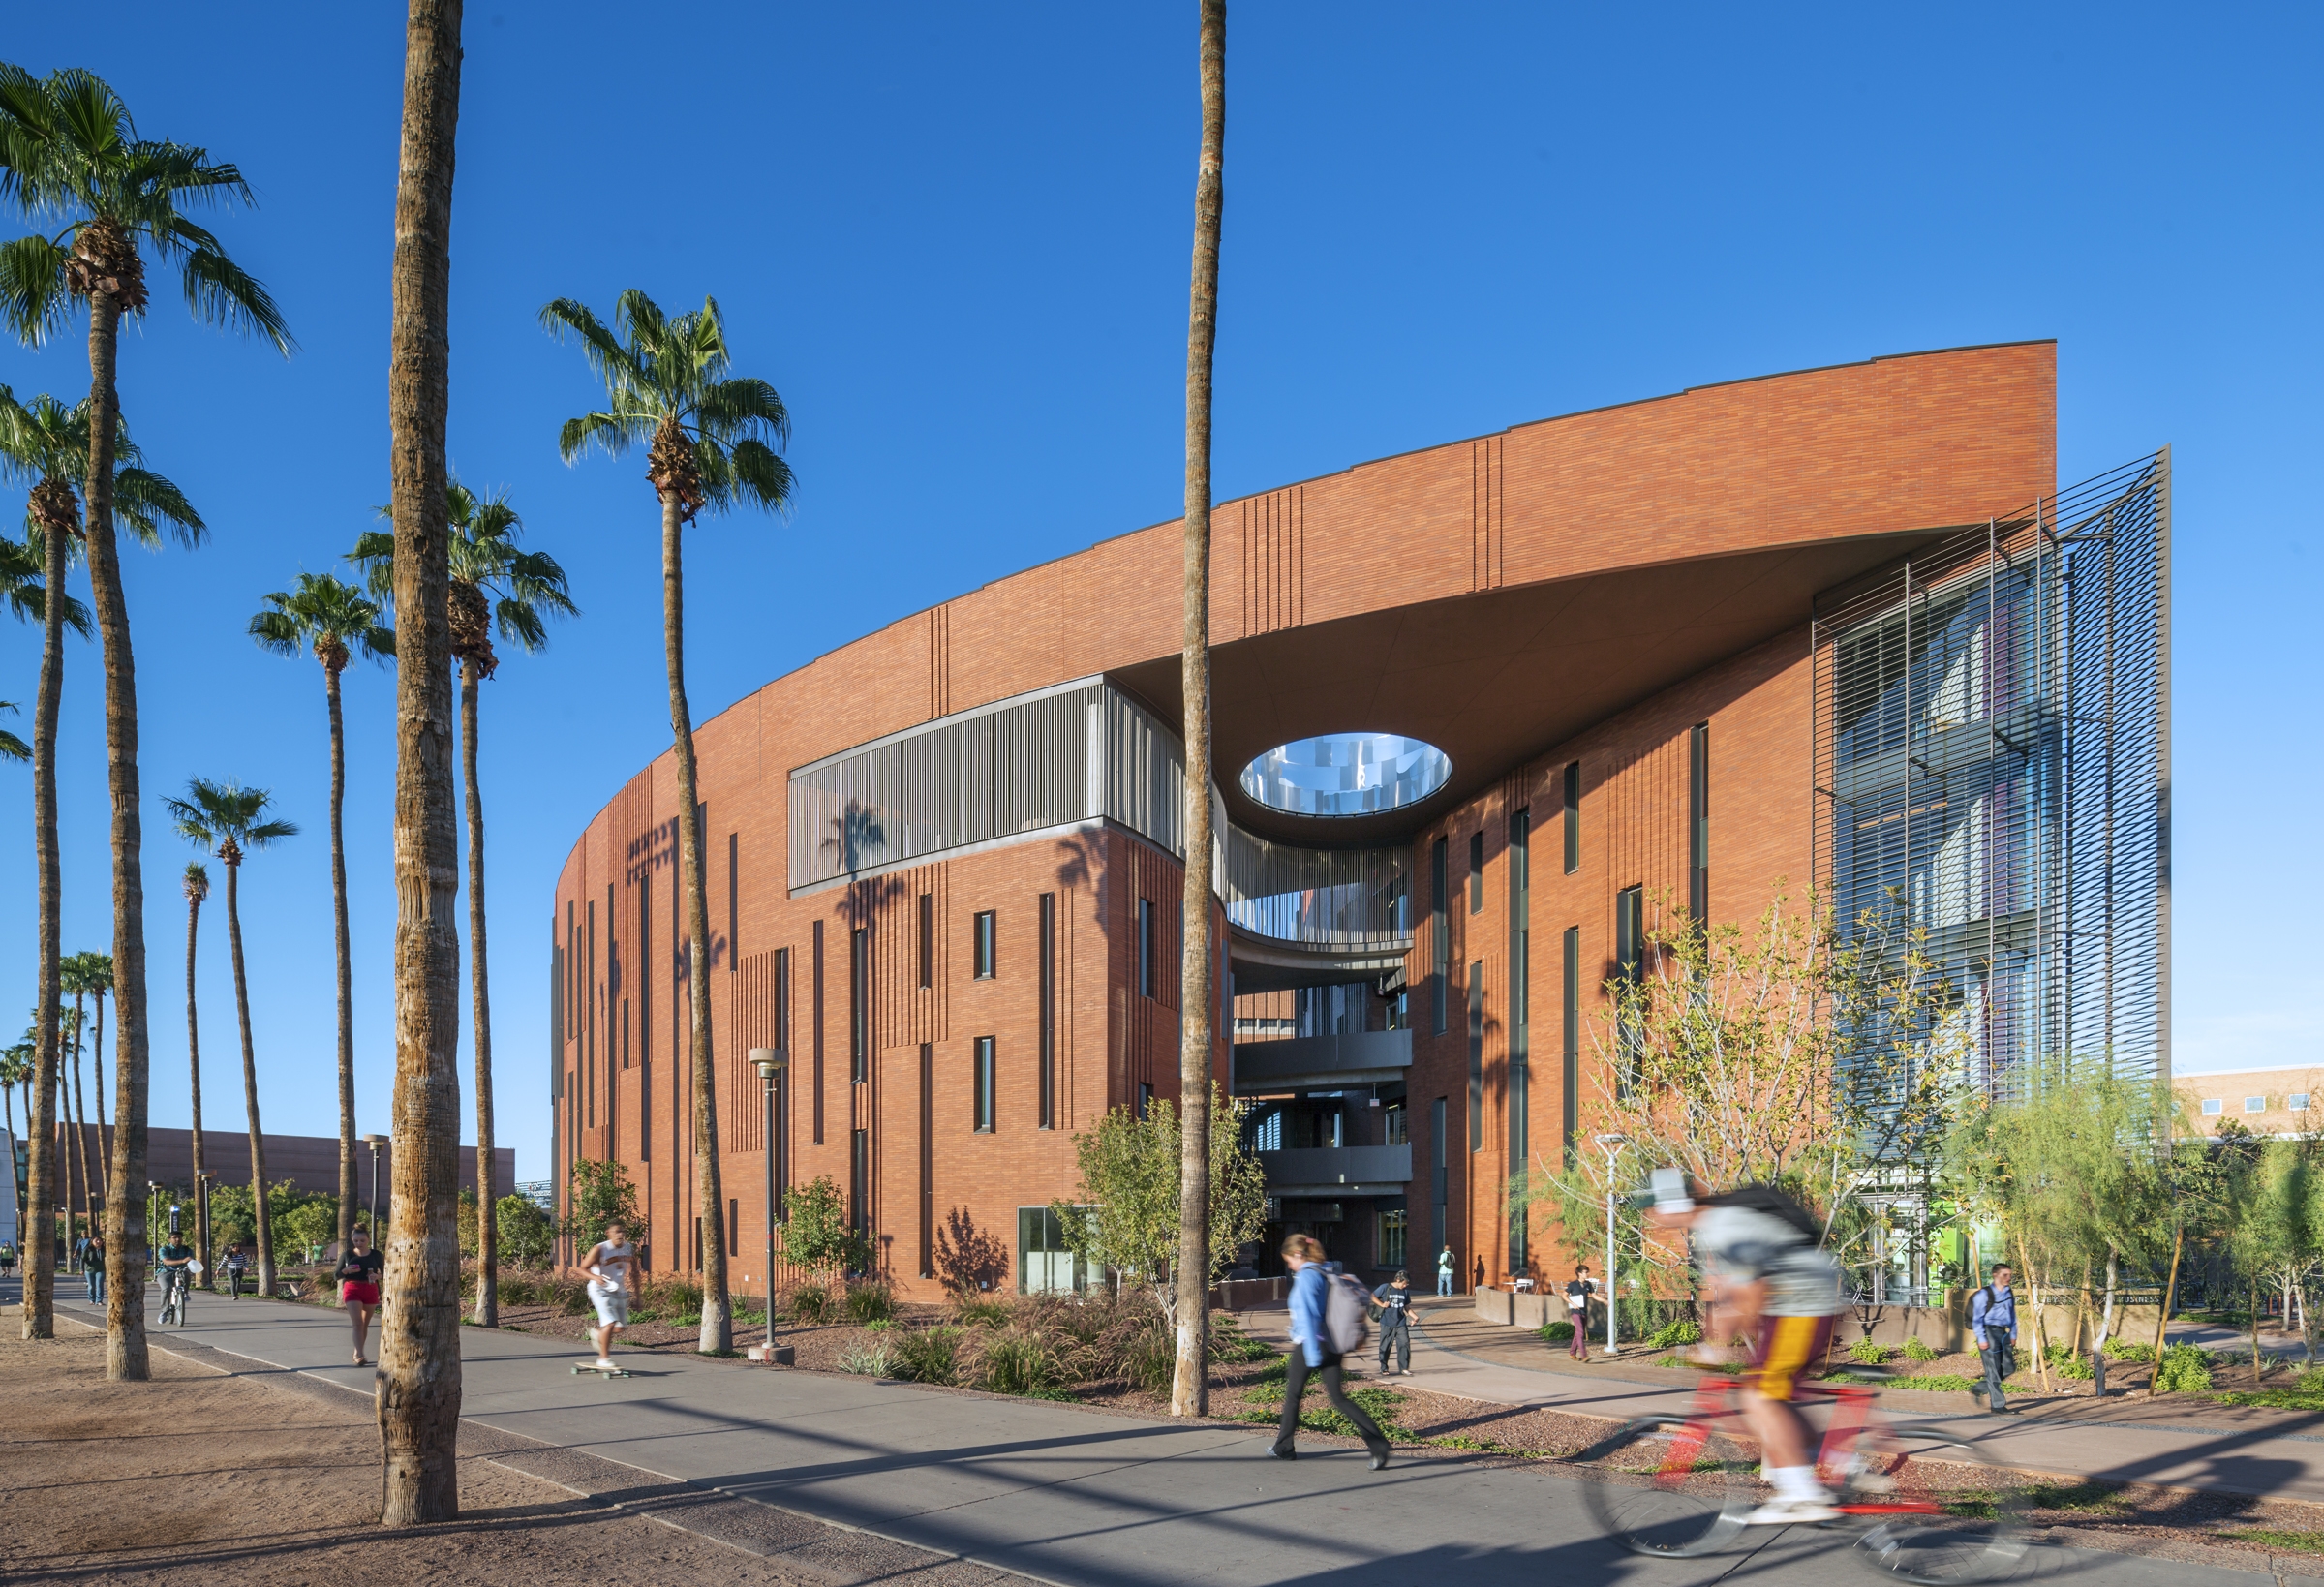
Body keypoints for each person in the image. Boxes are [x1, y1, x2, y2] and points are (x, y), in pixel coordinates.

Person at [1651, 1175, 1847, 1526]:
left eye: (1654, 1206)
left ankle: (1803, 1494)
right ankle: (1839, 1465)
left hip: (1803, 1302)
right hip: (1794, 1302)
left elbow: (1753, 1291)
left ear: (1672, 1205)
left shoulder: (1724, 1225)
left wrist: (1718, 1347)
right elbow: (1725, 1293)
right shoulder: (1712, 1228)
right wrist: (1714, 1340)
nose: (1652, 1215)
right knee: (1771, 1397)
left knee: (1759, 1398)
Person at [1271, 1235, 1391, 1470]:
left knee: (1293, 1395)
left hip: (1311, 1344)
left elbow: (1309, 1315)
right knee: (1338, 1398)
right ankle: (1379, 1445)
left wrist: (1313, 1353)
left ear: (1298, 1255)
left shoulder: (1306, 1276)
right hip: (1334, 1342)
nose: (1289, 1265)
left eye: (1288, 1260)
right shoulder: (1328, 1271)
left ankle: (1284, 1448)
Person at [581, 1221, 638, 1369]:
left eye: (622, 1231)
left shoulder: (628, 1248)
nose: (620, 1235)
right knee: (610, 1323)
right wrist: (596, 1278)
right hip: (599, 1289)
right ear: (609, 1233)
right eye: (617, 1231)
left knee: (620, 1328)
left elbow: (635, 1273)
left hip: (618, 1290)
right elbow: (581, 1269)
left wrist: (638, 1296)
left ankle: (598, 1334)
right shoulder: (600, 1249)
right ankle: (603, 1358)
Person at [1968, 1264, 2019, 1415]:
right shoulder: (1984, 1295)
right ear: (1995, 1275)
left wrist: (2013, 1334)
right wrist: (1982, 1338)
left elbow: (2012, 1315)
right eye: (2005, 1275)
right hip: (1988, 1331)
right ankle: (1997, 1405)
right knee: (1993, 1370)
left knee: (2009, 1367)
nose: (2008, 1278)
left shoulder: (2008, 1292)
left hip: (2003, 1332)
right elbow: (1977, 1318)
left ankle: (1979, 1388)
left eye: (2010, 1275)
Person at [336, 1228, 385, 1365]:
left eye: (362, 1240)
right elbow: (336, 1275)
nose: (359, 1243)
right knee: (357, 1323)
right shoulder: (347, 1254)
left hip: (370, 1288)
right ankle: (359, 1354)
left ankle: (358, 1351)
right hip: (352, 1288)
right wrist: (346, 1270)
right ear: (352, 1240)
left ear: (368, 1239)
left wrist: (378, 1276)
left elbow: (386, 1272)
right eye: (356, 1240)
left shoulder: (376, 1255)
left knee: (364, 1324)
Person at [1372, 1269, 1415, 1376]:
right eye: (1404, 1283)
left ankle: (1404, 1368)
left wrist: (1415, 1317)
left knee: (1404, 1344)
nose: (1405, 1285)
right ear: (1398, 1279)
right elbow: (1372, 1296)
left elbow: (1407, 1306)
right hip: (1387, 1322)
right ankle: (1384, 1367)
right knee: (1385, 1346)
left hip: (1401, 1322)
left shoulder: (1405, 1292)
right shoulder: (1385, 1287)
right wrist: (1382, 1305)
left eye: (1407, 1284)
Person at [157, 1232, 196, 1324]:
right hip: (165, 1271)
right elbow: (167, 1262)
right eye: (175, 1237)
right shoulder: (164, 1249)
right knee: (166, 1288)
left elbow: (190, 1260)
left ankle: (185, 1292)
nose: (177, 1239)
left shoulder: (187, 1250)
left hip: (181, 1270)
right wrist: (182, 1260)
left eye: (179, 1237)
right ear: (169, 1239)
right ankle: (164, 1311)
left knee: (186, 1273)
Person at [1564, 1263, 1598, 1360]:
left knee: (1577, 1334)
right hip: (1575, 1312)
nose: (1587, 1274)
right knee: (1581, 1333)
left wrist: (1604, 1300)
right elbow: (1564, 1295)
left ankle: (1572, 1353)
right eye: (1585, 1272)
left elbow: (1594, 1295)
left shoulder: (1588, 1284)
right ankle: (1584, 1355)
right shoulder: (1572, 1285)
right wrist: (1573, 1303)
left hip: (1584, 1312)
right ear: (1579, 1273)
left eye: (1587, 1272)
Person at [82, 1232, 106, 1304]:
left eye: (100, 1240)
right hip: (89, 1270)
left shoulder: (104, 1249)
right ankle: (92, 1299)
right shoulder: (88, 1249)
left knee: (99, 1284)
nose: (98, 1242)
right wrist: (81, 1269)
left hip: (100, 1270)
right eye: (96, 1240)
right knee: (91, 1286)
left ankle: (99, 1300)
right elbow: (82, 1259)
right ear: (92, 1242)